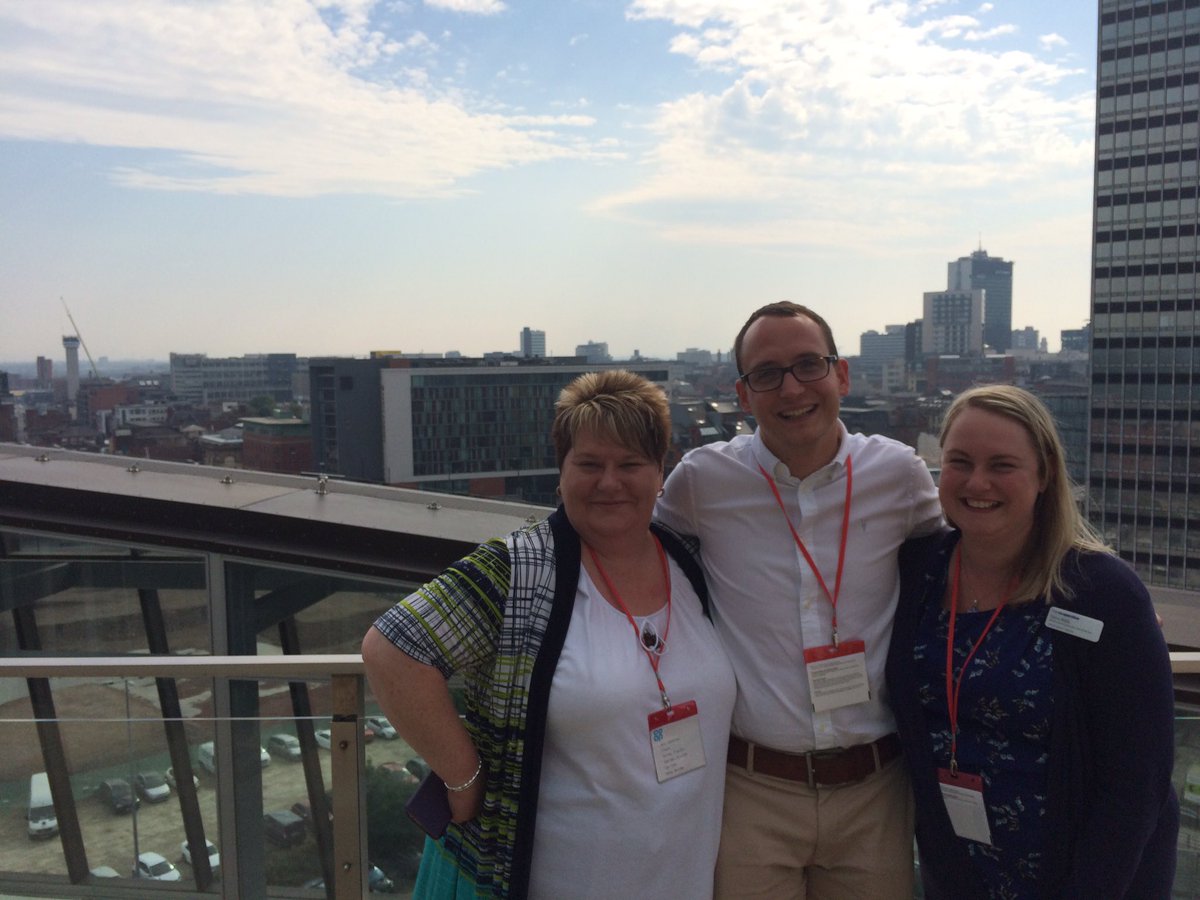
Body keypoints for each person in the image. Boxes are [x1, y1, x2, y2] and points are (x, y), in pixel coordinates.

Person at [361, 369, 736, 899]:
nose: (610, 482)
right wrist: (464, 777)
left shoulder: (690, 560)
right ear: (561, 473)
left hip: (684, 879)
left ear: (661, 473)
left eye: (630, 464)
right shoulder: (520, 570)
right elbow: (392, 650)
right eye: (590, 464)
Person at [656, 301, 943, 899]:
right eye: (767, 373)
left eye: (809, 365)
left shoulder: (900, 475)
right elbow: (623, 546)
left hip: (875, 793)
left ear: (842, 374)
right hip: (751, 791)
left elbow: (973, 561)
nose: (791, 388)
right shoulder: (701, 482)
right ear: (743, 394)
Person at [885, 385, 1179, 898]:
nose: (978, 482)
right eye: (959, 462)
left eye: (1002, 465)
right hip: (957, 871)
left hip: (1085, 876)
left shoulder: (1101, 592)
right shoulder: (916, 570)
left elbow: (1137, 782)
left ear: (1044, 475)